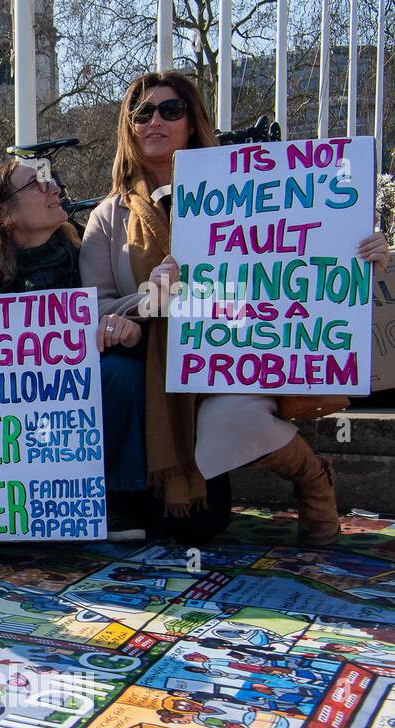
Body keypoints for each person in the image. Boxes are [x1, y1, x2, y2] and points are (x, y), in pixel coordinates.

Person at [80, 71, 390, 546]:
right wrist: (151, 298)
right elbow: (96, 306)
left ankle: (313, 478)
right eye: (142, 113)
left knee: (232, 428)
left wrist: (363, 249)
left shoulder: (249, 188)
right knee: (194, 528)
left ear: (191, 121)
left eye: (171, 110)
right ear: (128, 126)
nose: (155, 120)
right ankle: (140, 494)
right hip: (153, 375)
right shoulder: (109, 216)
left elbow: (306, 250)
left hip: (236, 356)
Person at [0, 157, 149, 540]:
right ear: (3, 211)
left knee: (120, 372)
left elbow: (125, 321)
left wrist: (124, 330)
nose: (55, 189)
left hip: (72, 421)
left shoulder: (87, 256)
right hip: (6, 434)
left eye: (52, 181)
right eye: (37, 184)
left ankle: (120, 502)